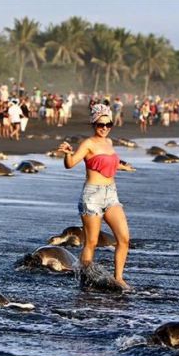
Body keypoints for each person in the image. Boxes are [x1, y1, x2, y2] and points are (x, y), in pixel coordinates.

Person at [58, 104, 135, 291]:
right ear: (94, 123)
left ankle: (119, 278)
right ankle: (85, 280)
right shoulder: (88, 144)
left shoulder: (108, 143)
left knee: (124, 239)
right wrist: (67, 154)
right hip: (92, 196)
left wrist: (122, 167)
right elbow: (71, 164)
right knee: (91, 242)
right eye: (101, 124)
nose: (105, 128)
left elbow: (106, 163)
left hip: (111, 194)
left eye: (108, 124)